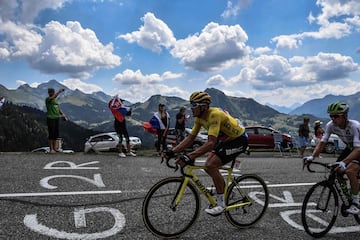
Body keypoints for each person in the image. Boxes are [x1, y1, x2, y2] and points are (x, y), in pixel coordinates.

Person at [163, 91, 248, 216]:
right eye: (190, 104)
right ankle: (224, 190)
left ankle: (221, 204)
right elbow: (190, 138)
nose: (191, 108)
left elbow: (210, 143)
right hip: (226, 140)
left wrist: (189, 156)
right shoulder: (199, 118)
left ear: (203, 106)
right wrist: (172, 151)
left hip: (239, 140)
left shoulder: (214, 115)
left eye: (193, 104)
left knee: (211, 164)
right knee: (209, 166)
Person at [303, 102, 360, 214]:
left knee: (350, 170)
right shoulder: (331, 125)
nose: (333, 119)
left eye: (336, 116)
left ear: (344, 116)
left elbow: (358, 149)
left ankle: (356, 202)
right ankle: (349, 195)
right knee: (336, 169)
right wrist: (312, 157)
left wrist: (344, 162)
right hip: (351, 148)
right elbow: (322, 142)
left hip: (358, 148)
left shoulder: (354, 126)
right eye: (331, 116)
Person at [45, 88, 67, 153]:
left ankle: (55, 148)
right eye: (51, 92)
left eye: (53, 92)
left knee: (56, 134)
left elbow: (57, 107)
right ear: (49, 93)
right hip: (50, 118)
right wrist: (59, 91)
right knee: (51, 134)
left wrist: (63, 114)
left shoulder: (55, 100)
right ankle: (51, 149)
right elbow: (52, 98)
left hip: (57, 118)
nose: (52, 93)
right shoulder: (48, 99)